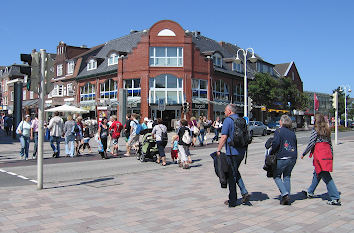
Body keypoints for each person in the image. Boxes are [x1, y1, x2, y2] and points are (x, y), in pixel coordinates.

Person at [301, 114, 341, 206]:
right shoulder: (327, 130)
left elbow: (311, 143)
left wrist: (304, 153)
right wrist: (331, 155)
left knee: (325, 175)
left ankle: (335, 197)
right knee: (317, 173)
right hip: (327, 153)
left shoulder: (316, 130)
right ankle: (310, 192)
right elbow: (330, 144)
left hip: (320, 154)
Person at [216, 104, 250, 207]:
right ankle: (244, 192)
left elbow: (224, 136)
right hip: (242, 151)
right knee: (235, 171)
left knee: (231, 175)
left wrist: (218, 149)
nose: (224, 112)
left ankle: (233, 200)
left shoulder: (228, 120)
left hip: (232, 151)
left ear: (230, 111)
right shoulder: (241, 119)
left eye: (225, 110)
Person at [271, 115, 297, 205]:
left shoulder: (278, 131)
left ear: (282, 122)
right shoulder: (292, 132)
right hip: (293, 157)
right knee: (287, 176)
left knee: (276, 176)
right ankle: (287, 197)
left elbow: (276, 143)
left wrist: (272, 152)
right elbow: (295, 144)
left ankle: (285, 194)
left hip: (282, 156)